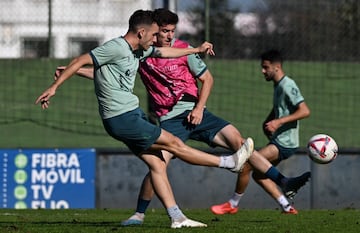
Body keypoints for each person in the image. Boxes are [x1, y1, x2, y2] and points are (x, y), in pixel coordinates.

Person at [61, 9, 311, 225]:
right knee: (157, 165)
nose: (170, 35)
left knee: (238, 139)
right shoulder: (143, 52)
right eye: (165, 31)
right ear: (153, 31)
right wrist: (74, 72)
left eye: (172, 31)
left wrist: (200, 108)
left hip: (196, 112)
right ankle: (139, 213)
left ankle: (284, 181)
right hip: (170, 119)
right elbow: (107, 74)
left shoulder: (182, 49)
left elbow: (207, 79)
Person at [35, 9, 255, 229]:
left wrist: (196, 49)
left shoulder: (138, 52)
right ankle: (229, 163)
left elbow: (164, 54)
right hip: (123, 119)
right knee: (175, 144)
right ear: (141, 32)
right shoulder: (115, 47)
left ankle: (176, 217)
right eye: (153, 35)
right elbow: (79, 59)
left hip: (129, 116)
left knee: (157, 163)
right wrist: (54, 87)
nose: (154, 40)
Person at [211, 49, 311, 215]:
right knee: (260, 174)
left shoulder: (288, 85)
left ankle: (232, 204)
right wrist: (269, 120)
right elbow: (281, 107)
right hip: (280, 139)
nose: (262, 71)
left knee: (246, 164)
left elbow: (305, 111)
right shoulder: (279, 85)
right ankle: (287, 207)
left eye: (265, 67)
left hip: (286, 142)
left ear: (277, 67)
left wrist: (278, 122)